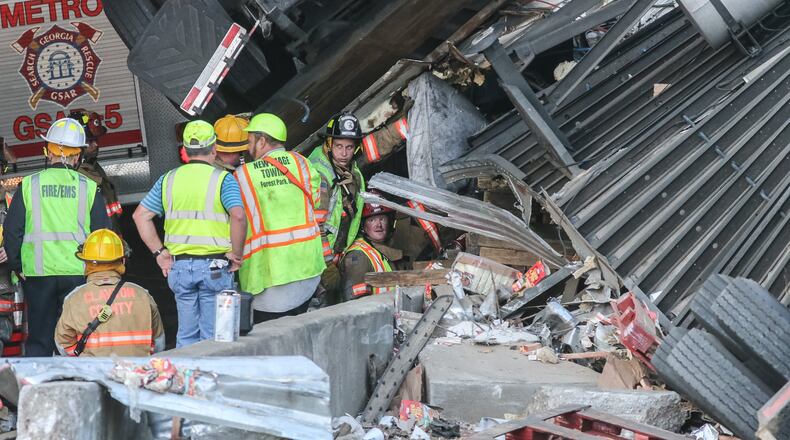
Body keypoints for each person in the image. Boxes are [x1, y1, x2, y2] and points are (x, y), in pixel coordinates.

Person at [2, 118, 112, 356]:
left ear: (48, 151)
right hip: (79, 274)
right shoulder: (89, 187)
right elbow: (102, 234)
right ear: (78, 155)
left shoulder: (29, 185)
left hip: (38, 274)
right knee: (79, 337)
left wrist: (17, 267)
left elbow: (12, 231)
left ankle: (40, 378)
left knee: (40, 338)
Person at [133, 120, 246, 347]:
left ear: (184, 150)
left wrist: (159, 253)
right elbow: (238, 216)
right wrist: (236, 254)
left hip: (180, 268)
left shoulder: (168, 180)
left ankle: (187, 369)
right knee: (214, 338)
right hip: (215, 268)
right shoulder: (223, 179)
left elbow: (140, 216)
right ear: (214, 149)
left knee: (186, 336)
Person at [235, 113, 325, 322]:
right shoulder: (302, 163)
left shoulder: (243, 175)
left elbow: (236, 219)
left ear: (262, 141)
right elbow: (315, 200)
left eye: (250, 140)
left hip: (267, 280)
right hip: (307, 272)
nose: (248, 147)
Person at [55, 228, 164, 357]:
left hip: (92, 369)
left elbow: (63, 344)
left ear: (86, 263)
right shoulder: (143, 295)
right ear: (123, 261)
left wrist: (83, 360)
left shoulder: (74, 298)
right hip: (135, 368)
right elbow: (158, 344)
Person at [308, 113, 366, 264]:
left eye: (349, 147)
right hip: (317, 256)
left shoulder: (352, 171)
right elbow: (314, 223)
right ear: (329, 144)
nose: (344, 153)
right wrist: (327, 259)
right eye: (339, 146)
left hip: (336, 252)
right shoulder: (319, 174)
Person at [340, 199, 404, 301]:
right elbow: (356, 302)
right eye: (372, 220)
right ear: (363, 226)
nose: (378, 225)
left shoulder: (378, 250)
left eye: (382, 219)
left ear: (390, 222)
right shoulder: (358, 255)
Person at [71, 110, 123, 228]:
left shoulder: (94, 167)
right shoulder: (74, 176)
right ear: (75, 144)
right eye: (90, 141)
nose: (96, 145)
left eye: (96, 140)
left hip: (109, 236)